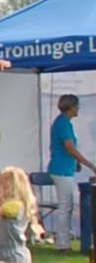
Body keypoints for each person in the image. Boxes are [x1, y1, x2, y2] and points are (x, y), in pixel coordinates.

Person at [48, 94, 94, 249]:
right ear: (72, 107)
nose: (78, 109)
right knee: (65, 206)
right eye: (77, 106)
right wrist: (87, 163)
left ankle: (64, 242)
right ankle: (63, 244)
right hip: (61, 170)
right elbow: (69, 147)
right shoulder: (62, 124)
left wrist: (76, 163)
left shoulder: (65, 123)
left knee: (66, 206)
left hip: (66, 168)